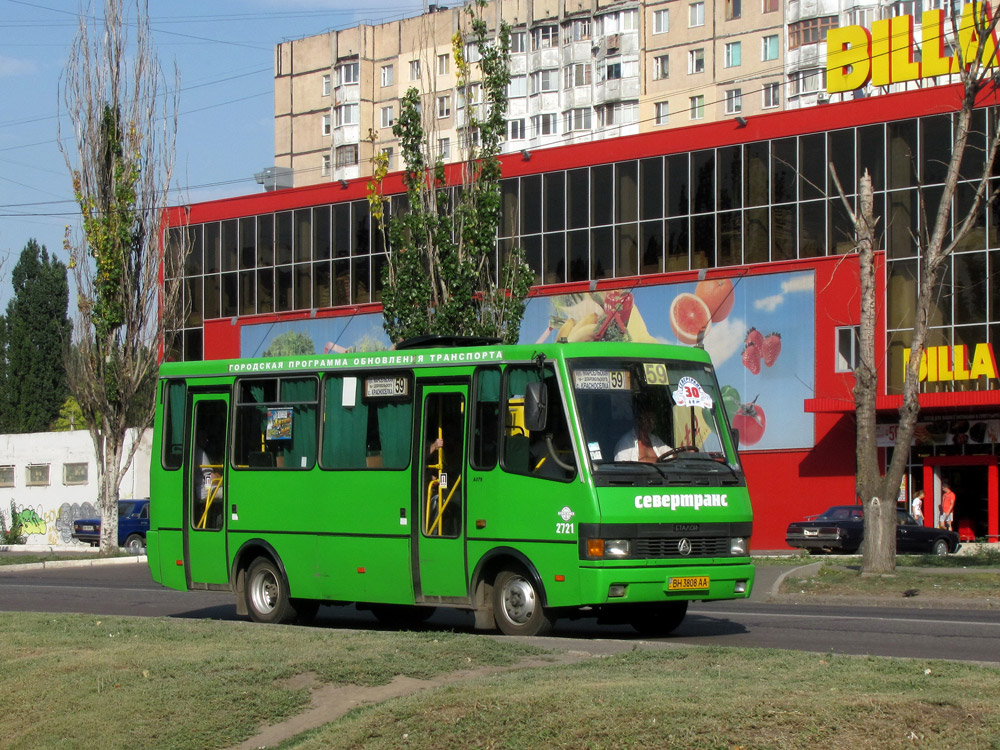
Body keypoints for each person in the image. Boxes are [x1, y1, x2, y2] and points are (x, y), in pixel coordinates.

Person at [614, 398, 670, 463]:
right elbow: (621, 468)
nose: (651, 422)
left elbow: (671, 454)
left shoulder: (655, 440)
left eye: (653, 419)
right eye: (647, 419)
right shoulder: (625, 443)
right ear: (638, 420)